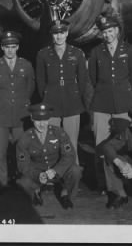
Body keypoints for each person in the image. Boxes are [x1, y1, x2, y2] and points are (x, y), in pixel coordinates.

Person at [88, 13, 132, 192]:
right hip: (101, 104)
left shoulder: (130, 50)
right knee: (101, 145)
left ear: (116, 31)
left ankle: (125, 180)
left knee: (123, 144)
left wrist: (121, 91)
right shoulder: (96, 52)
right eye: (104, 32)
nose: (108, 35)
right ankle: (103, 183)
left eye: (110, 31)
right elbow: (93, 78)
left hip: (124, 104)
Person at [0, 31, 35, 193]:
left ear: (17, 47)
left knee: (22, 151)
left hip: (20, 114)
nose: (10, 50)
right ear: (2, 48)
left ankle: (23, 182)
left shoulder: (26, 65)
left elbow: (30, 87)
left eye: (13, 47)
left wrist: (23, 102)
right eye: (7, 47)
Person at [35, 20, 87, 165]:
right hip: (51, 103)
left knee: (71, 142)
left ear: (67, 33)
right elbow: (40, 80)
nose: (59, 37)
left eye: (62, 33)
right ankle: (54, 177)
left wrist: (76, 95)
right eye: (55, 34)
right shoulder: (43, 54)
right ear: (52, 35)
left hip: (72, 102)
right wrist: (46, 97)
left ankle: (73, 175)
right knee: (53, 143)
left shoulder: (77, 53)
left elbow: (82, 80)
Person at [16, 103, 82, 209]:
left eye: (45, 121)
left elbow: (69, 155)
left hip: (58, 169)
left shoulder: (58, 132)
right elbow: (23, 165)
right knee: (23, 182)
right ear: (32, 118)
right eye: (38, 121)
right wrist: (38, 174)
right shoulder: (25, 138)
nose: (42, 124)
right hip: (38, 170)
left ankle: (66, 194)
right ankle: (35, 192)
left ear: (49, 119)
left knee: (76, 171)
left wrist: (56, 170)